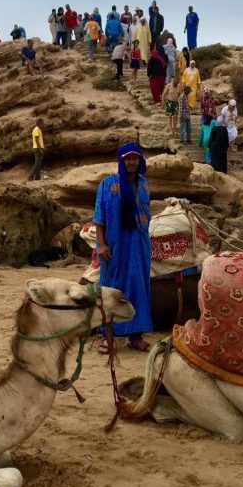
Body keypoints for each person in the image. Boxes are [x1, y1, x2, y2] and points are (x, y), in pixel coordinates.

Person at [93, 143, 152, 353]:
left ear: (140, 161)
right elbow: (99, 218)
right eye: (127, 159)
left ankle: (136, 336)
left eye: (135, 158)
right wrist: (101, 244)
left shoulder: (144, 184)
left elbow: (147, 215)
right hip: (116, 245)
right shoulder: (108, 184)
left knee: (139, 287)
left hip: (139, 245)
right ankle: (107, 336)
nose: (131, 162)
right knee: (112, 289)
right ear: (121, 160)